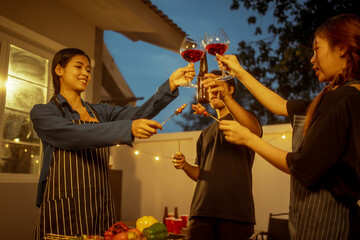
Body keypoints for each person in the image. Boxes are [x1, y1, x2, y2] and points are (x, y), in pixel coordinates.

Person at [207, 13, 360, 239]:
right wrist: (239, 72)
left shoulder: (341, 101)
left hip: (331, 225)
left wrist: (249, 139)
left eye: (317, 49)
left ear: (342, 48)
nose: (312, 59)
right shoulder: (340, 97)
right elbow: (280, 106)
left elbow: (301, 166)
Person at [30, 48, 196, 239]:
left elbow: (138, 114)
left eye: (88, 69)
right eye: (79, 67)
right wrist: (128, 129)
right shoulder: (43, 113)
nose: (86, 73)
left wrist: (171, 85)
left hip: (100, 205)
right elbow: (73, 134)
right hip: (65, 209)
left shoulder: (99, 112)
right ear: (59, 70)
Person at [172, 70, 262, 240]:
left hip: (236, 215)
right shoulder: (205, 133)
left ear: (231, 89)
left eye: (215, 86)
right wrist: (184, 165)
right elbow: (200, 174)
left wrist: (225, 97)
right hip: (201, 212)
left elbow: (254, 131)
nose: (211, 92)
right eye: (208, 88)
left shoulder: (244, 121)